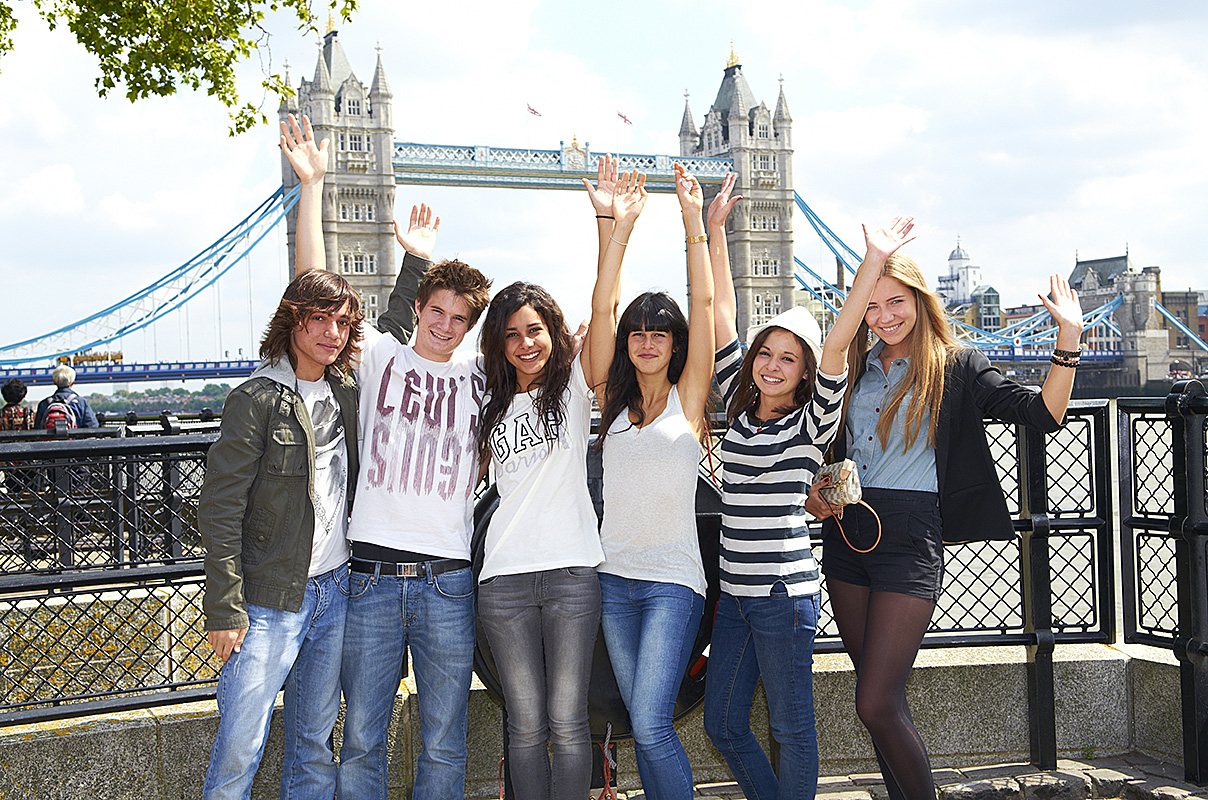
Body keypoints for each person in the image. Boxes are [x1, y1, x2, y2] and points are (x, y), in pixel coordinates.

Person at [274, 110, 493, 800]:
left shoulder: (484, 378)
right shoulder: (378, 357)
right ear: (420, 305)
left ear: (471, 327)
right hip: (368, 577)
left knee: (444, 742)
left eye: (460, 319)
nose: (445, 325)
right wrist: (312, 186)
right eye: (437, 311)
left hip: (448, 580)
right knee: (364, 737)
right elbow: (314, 290)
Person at [806, 260, 1083, 800]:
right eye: (871, 305)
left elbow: (1042, 414)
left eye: (896, 302)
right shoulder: (853, 366)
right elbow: (826, 440)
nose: (884, 316)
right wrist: (817, 490)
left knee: (875, 703)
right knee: (882, 701)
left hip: (910, 538)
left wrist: (1067, 340)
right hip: (846, 534)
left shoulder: (956, 365)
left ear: (920, 299)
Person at [702, 176, 916, 800]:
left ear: (804, 372)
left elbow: (840, 340)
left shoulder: (809, 422)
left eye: (788, 358)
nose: (772, 365)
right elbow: (720, 313)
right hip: (734, 595)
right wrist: (714, 230)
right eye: (765, 353)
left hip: (782, 594)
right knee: (722, 725)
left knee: (791, 728)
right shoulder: (737, 410)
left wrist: (872, 261)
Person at [474, 184, 636, 797]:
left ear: (553, 331)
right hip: (504, 578)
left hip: (571, 572)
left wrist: (608, 223)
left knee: (569, 723)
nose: (526, 343)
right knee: (524, 725)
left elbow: (605, 304)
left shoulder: (572, 388)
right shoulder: (486, 399)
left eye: (535, 329)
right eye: (512, 334)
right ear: (499, 343)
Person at [584, 157, 727, 798]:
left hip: (673, 583)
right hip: (614, 580)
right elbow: (603, 304)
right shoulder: (609, 401)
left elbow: (704, 301)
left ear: (676, 344)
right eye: (637, 334)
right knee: (644, 726)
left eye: (660, 334)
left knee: (649, 722)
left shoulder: (689, 401)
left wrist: (692, 220)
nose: (646, 342)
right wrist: (617, 228)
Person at [197, 266, 363, 794]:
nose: (332, 333)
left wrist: (414, 264)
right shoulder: (257, 399)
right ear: (293, 321)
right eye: (319, 319)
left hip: (336, 587)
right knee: (241, 745)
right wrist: (225, 607)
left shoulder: (346, 390)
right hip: (270, 598)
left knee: (314, 741)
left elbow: (405, 326)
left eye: (342, 322)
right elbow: (220, 509)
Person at [33, 365, 98, 429]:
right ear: (72, 382)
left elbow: (37, 429)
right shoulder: (81, 403)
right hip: (73, 436)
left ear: (54, 382)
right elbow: (92, 427)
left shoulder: (44, 404)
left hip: (49, 436)